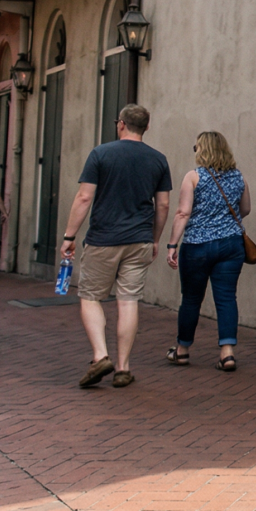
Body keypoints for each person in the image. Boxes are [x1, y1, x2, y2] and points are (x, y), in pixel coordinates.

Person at [60, 104, 172, 389]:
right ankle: (123, 368)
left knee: (90, 296)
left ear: (121, 124)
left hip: (103, 238)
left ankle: (100, 356)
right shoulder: (158, 160)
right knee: (128, 300)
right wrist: (156, 238)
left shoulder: (101, 154)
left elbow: (84, 198)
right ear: (146, 127)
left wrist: (69, 236)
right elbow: (163, 204)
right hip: (140, 239)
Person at [164, 132, 250, 371]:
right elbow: (246, 209)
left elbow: (182, 213)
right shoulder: (238, 177)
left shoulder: (194, 177)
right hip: (232, 245)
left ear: (202, 150)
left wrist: (172, 244)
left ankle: (182, 350)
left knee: (191, 299)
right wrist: (223, 222)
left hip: (197, 246)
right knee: (226, 297)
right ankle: (227, 353)